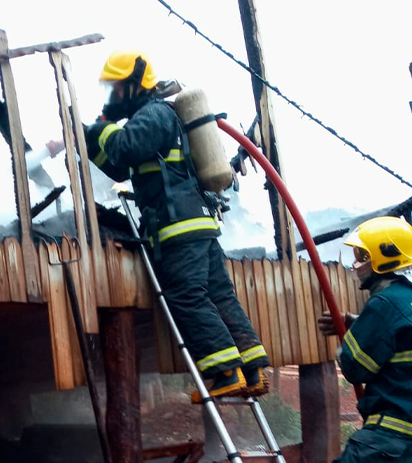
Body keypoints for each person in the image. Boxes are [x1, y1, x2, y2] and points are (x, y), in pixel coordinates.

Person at [82, 50, 270, 402]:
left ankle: (225, 374)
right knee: (219, 295)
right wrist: (88, 141)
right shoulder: (155, 118)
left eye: (117, 88)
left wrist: (96, 128)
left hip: (176, 227)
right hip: (197, 224)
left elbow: (124, 147)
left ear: (135, 85)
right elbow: (121, 167)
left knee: (187, 296)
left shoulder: (153, 115)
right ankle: (252, 368)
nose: (112, 96)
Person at [316, 216, 412, 462]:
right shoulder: (404, 300)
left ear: (385, 258)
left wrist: (351, 336)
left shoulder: (384, 303)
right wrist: (355, 320)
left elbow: (355, 367)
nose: (356, 264)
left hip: (390, 439)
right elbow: (401, 332)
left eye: (362, 256)